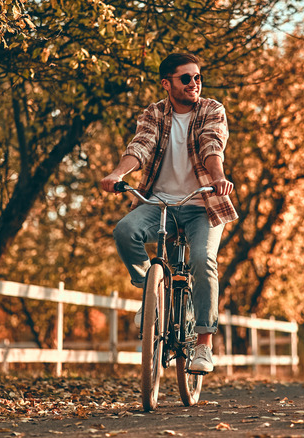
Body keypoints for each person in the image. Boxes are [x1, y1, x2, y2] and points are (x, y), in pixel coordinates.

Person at [100, 53, 237, 373]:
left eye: (198, 78)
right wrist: (118, 174)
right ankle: (152, 297)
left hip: (202, 204)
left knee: (203, 260)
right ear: (167, 83)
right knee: (124, 231)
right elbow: (140, 146)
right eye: (186, 78)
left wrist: (218, 178)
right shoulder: (155, 113)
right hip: (158, 204)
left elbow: (211, 144)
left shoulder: (211, 110)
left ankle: (204, 345)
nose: (194, 83)